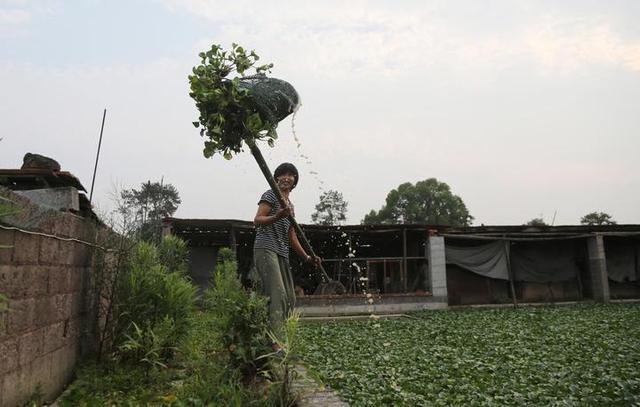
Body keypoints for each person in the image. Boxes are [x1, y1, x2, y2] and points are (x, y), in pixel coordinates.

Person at [253, 162, 320, 335]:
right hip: (266, 248)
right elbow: (257, 220)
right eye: (283, 174)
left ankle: (275, 332)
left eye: (291, 175)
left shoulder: (290, 207)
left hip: (282, 252)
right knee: (278, 293)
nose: (287, 177)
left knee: (289, 297)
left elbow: (292, 237)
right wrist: (276, 216)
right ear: (276, 178)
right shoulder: (270, 195)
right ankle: (275, 339)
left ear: (294, 181)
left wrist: (307, 258)